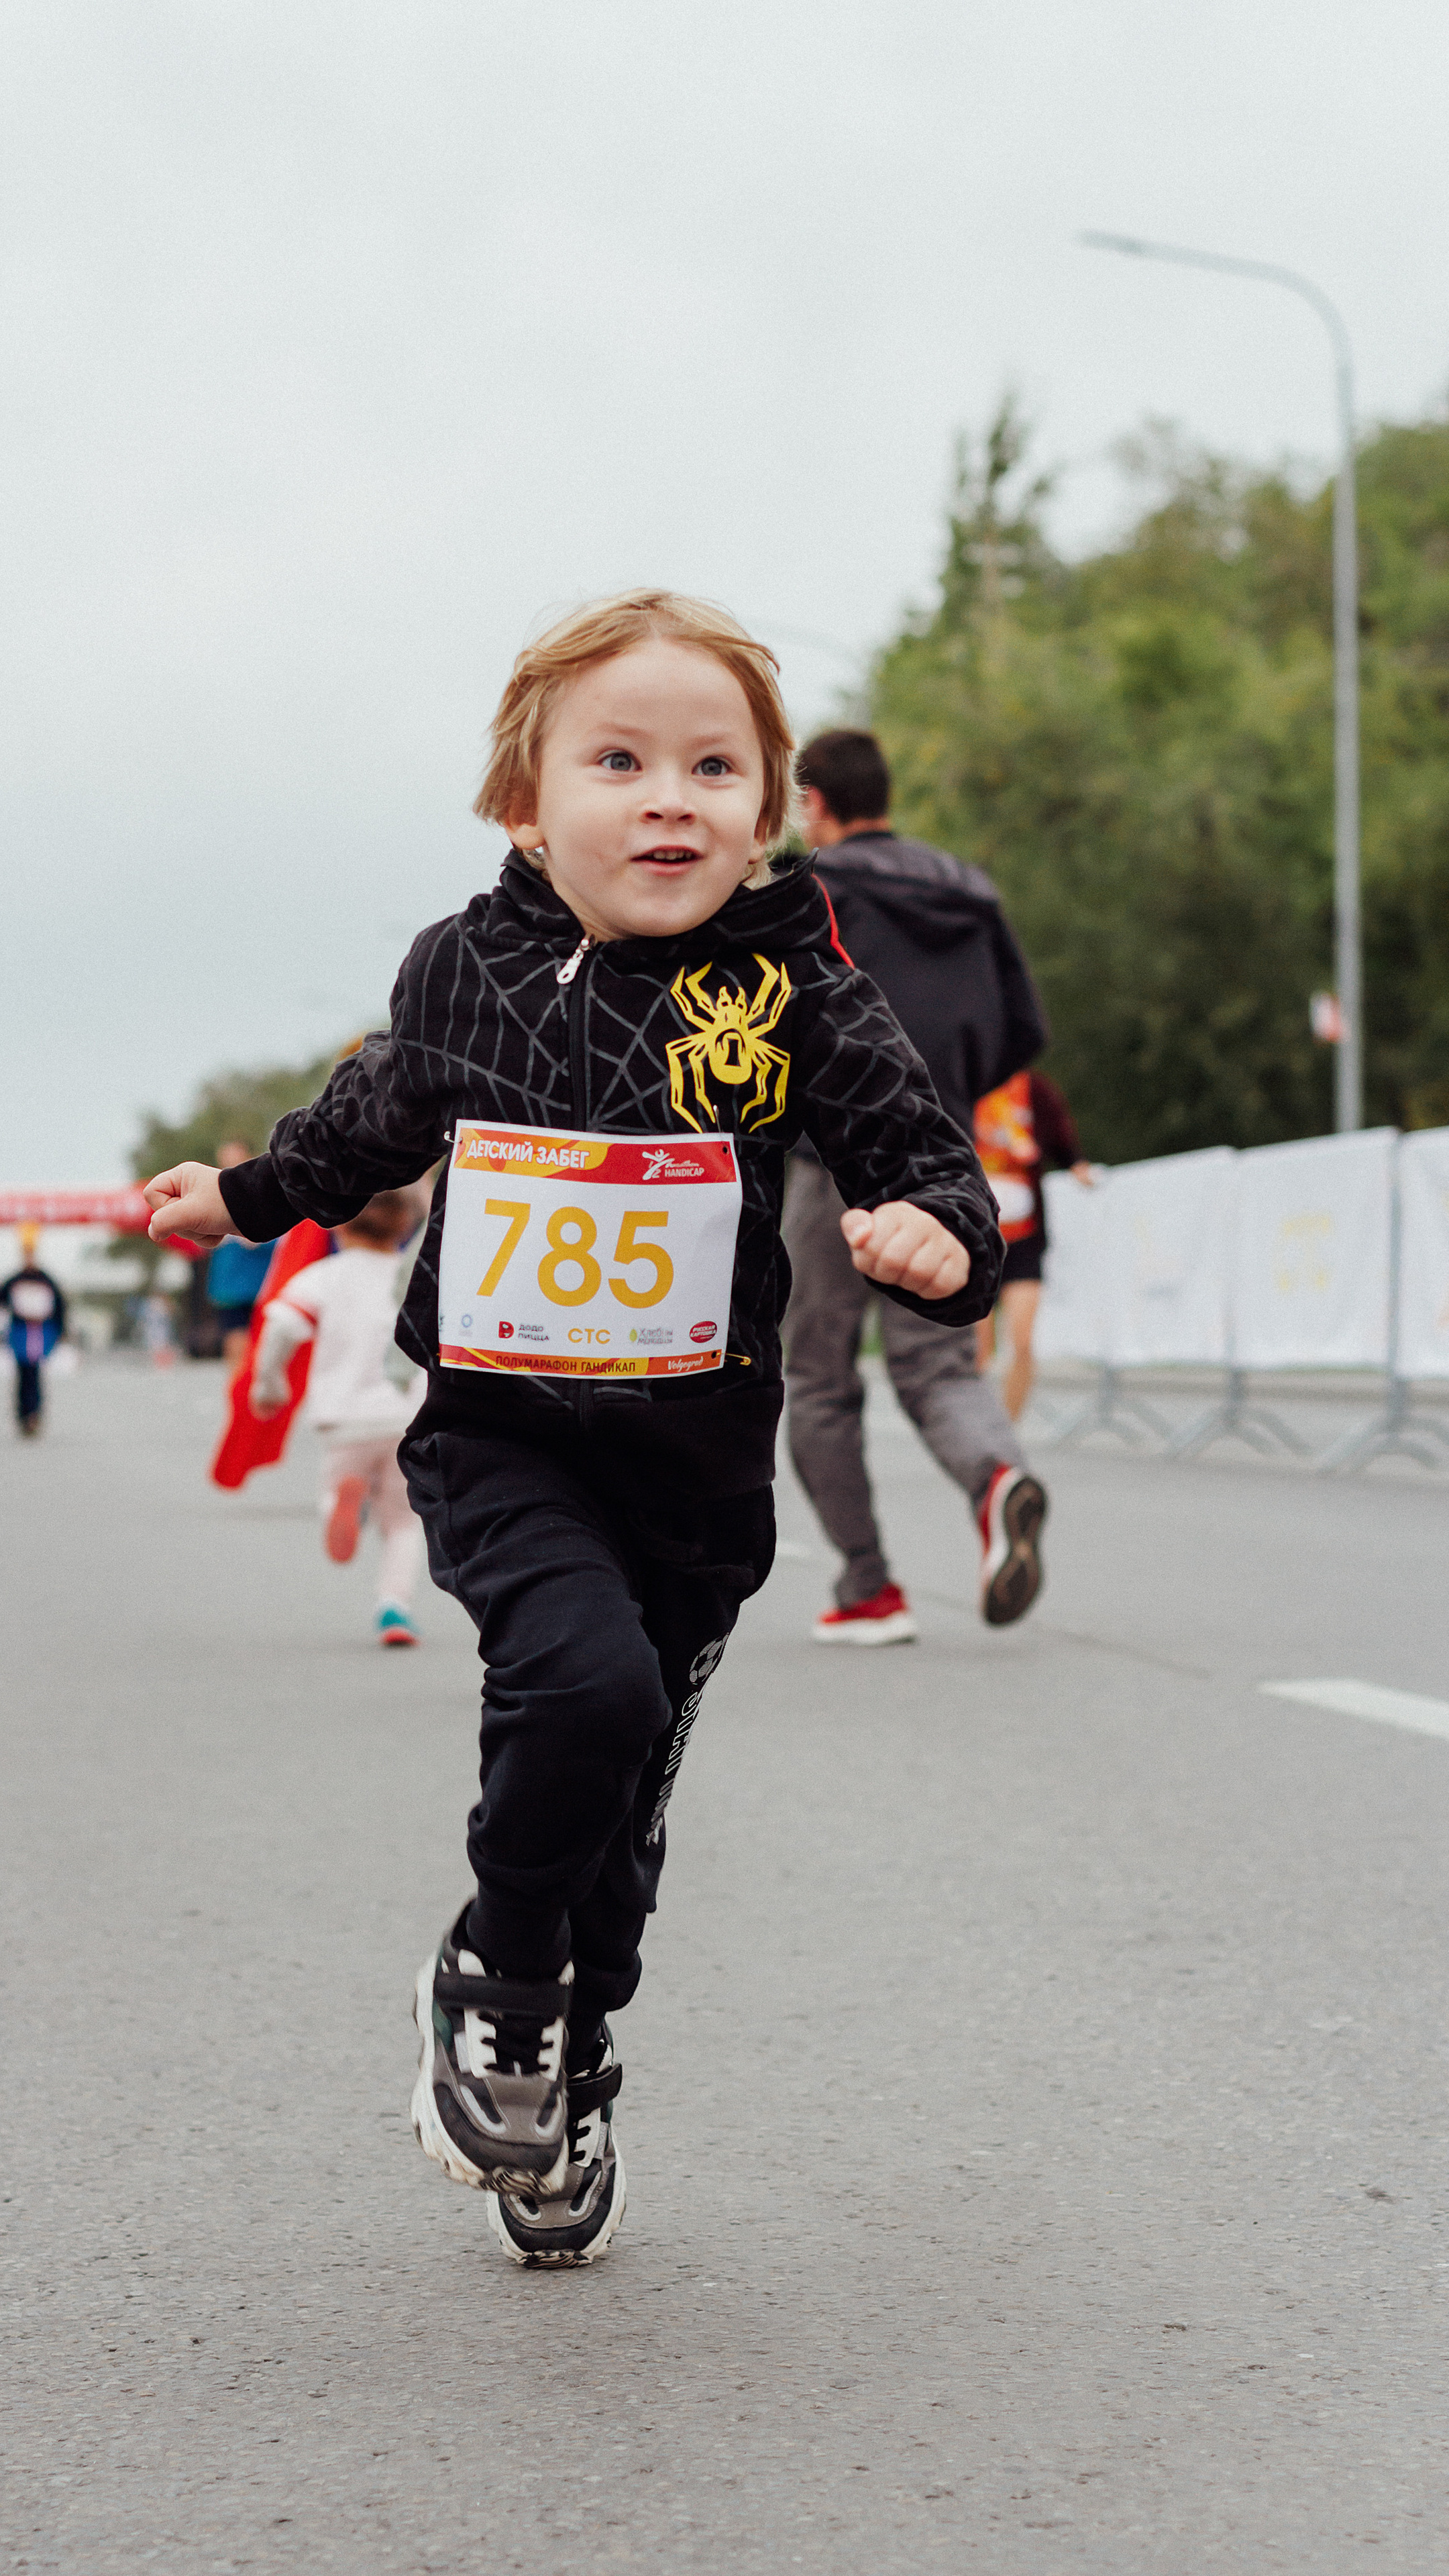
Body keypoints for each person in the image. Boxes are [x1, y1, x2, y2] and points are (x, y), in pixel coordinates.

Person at [142, 590, 1002, 2269]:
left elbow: (922, 1156)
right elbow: (372, 1114)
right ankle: (497, 1975)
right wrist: (242, 1191)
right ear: (525, 803)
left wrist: (935, 1238)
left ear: (765, 813)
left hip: (692, 1469)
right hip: (502, 1428)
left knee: (622, 1801)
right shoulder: (466, 967)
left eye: (711, 766)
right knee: (578, 1686)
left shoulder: (797, 985)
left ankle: (569, 2052)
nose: (666, 797)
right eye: (617, 761)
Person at [786, 727, 1051, 1646]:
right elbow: (1021, 1029)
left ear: (814, 802)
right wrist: (952, 1091)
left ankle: (868, 1588)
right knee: (937, 1361)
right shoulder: (970, 891)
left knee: (818, 1377)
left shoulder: (812, 888)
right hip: (946, 1163)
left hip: (831, 1167)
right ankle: (997, 1478)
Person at [249, 1187, 427, 1646]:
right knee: (405, 1523)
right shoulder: (415, 1279)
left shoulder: (325, 1277)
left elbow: (284, 1323)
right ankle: (395, 1609)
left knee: (335, 1489)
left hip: (346, 1419)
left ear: (339, 1223)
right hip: (408, 1418)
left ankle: (348, 1506)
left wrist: (270, 1383)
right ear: (406, 1226)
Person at [974, 1069, 1095, 1421]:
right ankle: (975, 1427)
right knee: (980, 1350)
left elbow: (1060, 1137)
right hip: (977, 1239)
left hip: (1025, 1235)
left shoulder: (1035, 1089)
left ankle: (1007, 1431)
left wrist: (1078, 1165)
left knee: (1023, 1343)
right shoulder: (966, 1081)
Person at [0, 1224, 69, 1439]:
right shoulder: (14, 1280)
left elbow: (60, 1307)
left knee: (34, 1373)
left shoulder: (46, 1280)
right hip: (20, 1332)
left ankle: (34, 1413)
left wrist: (60, 1330)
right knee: (23, 1373)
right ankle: (24, 1414)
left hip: (41, 1332)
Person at [204, 1138, 276, 1373]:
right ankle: (238, 1391)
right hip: (230, 1287)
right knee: (236, 1342)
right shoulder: (211, 1193)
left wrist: (259, 1239)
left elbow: (285, 1237)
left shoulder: (265, 1192)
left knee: (263, 1344)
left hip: (262, 1284)